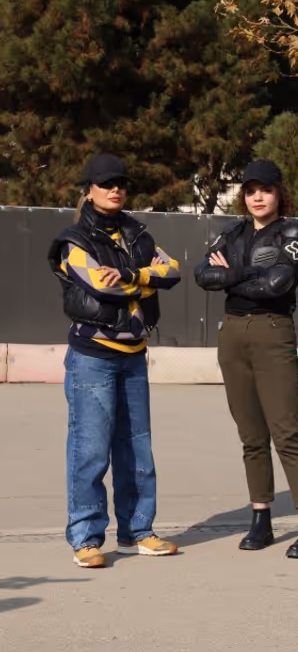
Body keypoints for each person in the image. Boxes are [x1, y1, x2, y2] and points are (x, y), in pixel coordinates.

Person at [47, 154, 183, 568]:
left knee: (137, 449)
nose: (115, 189)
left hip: (134, 358)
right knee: (90, 451)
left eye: (121, 183)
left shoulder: (138, 234)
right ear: (89, 189)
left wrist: (131, 276)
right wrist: (144, 279)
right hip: (92, 358)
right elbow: (96, 286)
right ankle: (86, 538)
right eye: (106, 183)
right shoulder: (74, 240)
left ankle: (138, 532)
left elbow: (173, 270)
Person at [193, 160, 298, 559]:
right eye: (250, 190)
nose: (257, 197)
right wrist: (242, 273)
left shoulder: (293, 231)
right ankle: (261, 517)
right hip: (232, 333)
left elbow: (277, 283)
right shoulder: (232, 232)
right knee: (250, 435)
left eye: (265, 189)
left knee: (286, 430)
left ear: (279, 192)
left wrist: (231, 274)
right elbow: (202, 275)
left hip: (272, 331)